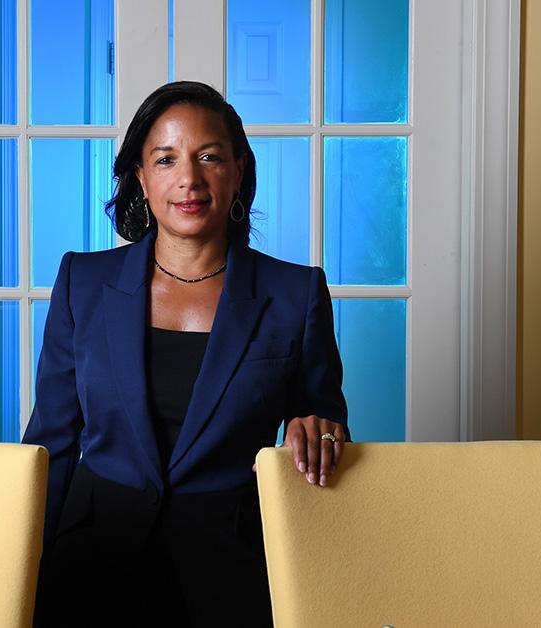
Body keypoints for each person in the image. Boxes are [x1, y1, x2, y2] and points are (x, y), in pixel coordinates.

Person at [23, 81, 349, 627]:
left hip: (235, 571)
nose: (189, 180)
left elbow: (323, 420)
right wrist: (22, 570)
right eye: (166, 159)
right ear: (141, 178)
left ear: (238, 170)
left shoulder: (296, 294)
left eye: (210, 157)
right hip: (90, 568)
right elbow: (50, 444)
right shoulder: (83, 281)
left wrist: (318, 428)